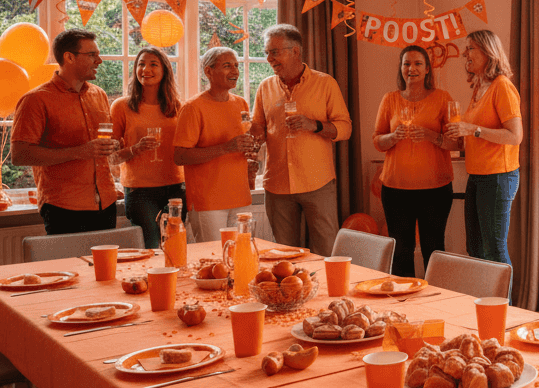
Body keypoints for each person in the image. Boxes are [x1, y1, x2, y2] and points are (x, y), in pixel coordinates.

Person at [251, 23, 352, 258]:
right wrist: (251, 131)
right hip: (277, 184)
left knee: (327, 251)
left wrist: (314, 125)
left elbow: (345, 129)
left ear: (295, 51)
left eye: (274, 52)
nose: (269, 58)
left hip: (318, 181)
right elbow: (259, 128)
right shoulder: (265, 87)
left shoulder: (325, 83)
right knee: (284, 255)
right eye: (266, 52)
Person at [11, 29, 119, 235]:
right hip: (63, 207)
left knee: (105, 268)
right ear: (69, 57)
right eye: (92, 55)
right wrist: (80, 151)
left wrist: (114, 146)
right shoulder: (35, 100)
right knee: (71, 268)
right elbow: (19, 155)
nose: (100, 60)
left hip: (106, 203)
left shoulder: (100, 95)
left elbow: (103, 147)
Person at [373, 46, 459, 277]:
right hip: (395, 189)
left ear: (427, 69)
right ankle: (405, 304)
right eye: (406, 63)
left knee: (434, 250)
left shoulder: (442, 98)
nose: (411, 69)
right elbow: (377, 141)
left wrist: (433, 136)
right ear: (401, 68)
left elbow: (457, 144)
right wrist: (392, 137)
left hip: (435, 189)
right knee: (401, 250)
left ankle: (437, 300)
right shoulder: (389, 99)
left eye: (418, 63)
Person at [444, 30, 522, 271]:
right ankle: (484, 305)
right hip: (477, 176)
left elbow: (515, 136)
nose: (465, 54)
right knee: (476, 248)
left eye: (471, 48)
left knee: (494, 251)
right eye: (465, 49)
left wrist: (473, 130)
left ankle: (505, 309)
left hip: (498, 177)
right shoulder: (479, 87)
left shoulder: (502, 87)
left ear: (489, 52)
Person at [173, 47, 256, 242]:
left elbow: (241, 144)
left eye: (236, 65)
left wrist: (250, 151)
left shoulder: (241, 104)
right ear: (208, 72)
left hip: (241, 197)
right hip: (208, 202)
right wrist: (227, 148)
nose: (235, 71)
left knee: (242, 257)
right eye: (227, 66)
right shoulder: (193, 108)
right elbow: (180, 156)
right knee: (214, 262)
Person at [110, 46, 185, 248]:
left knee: (174, 246)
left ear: (165, 71)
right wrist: (136, 149)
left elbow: (187, 148)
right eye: (141, 64)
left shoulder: (177, 107)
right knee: (151, 247)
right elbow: (111, 157)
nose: (146, 69)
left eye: (153, 64)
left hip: (175, 188)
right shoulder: (121, 107)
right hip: (140, 191)